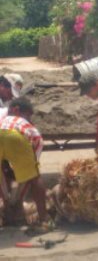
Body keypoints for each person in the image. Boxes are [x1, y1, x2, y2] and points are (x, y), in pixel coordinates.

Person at [0, 97, 51, 232]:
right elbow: (38, 142)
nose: (29, 119)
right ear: (16, 110)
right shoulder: (27, 125)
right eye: (28, 115)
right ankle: (44, 219)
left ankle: (8, 212)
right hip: (17, 136)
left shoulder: (3, 119)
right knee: (34, 176)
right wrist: (31, 171)